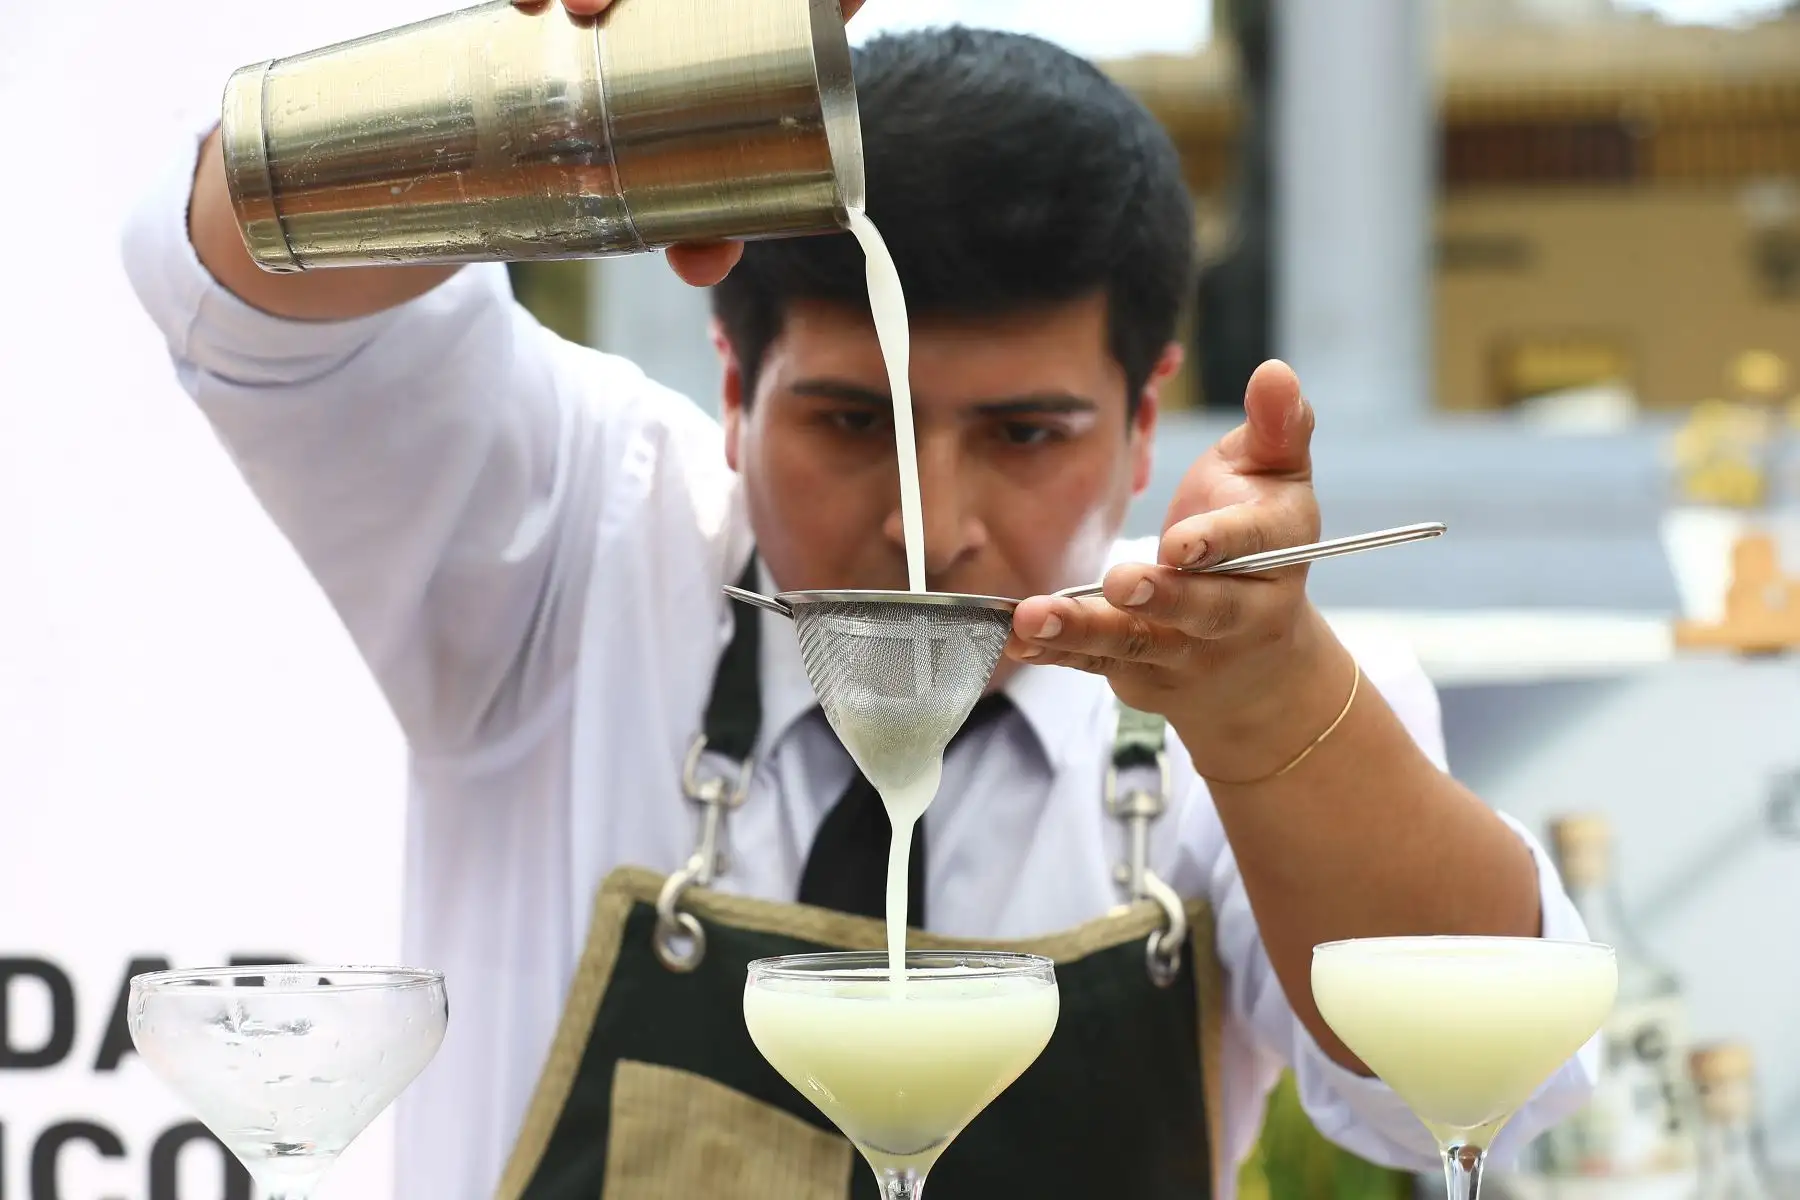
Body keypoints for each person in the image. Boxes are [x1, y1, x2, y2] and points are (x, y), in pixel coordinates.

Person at [123, 2, 1597, 1197]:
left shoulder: (1241, 666)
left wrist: (1273, 711)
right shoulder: (572, 542)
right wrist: (584, 96)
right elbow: (225, 279)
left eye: (1025, 434)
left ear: (1145, 419)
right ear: (731, 384)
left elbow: (1476, 1092)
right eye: (847, 422)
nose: (926, 530)